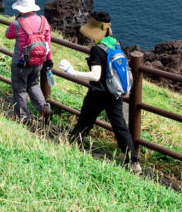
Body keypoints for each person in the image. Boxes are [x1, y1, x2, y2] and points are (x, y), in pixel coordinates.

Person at [58, 11, 140, 174]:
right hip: (114, 92)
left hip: (98, 93)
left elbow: (95, 75)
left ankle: (71, 144)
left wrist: (73, 72)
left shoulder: (97, 49)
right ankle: (134, 162)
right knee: (120, 127)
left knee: (85, 120)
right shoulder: (115, 43)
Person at [4, 0, 52, 125]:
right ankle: (44, 108)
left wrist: (16, 20)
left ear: (20, 8)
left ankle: (22, 118)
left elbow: (8, 34)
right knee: (33, 84)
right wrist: (49, 60)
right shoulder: (44, 21)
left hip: (21, 63)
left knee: (19, 89)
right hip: (38, 61)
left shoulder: (18, 23)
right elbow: (48, 42)